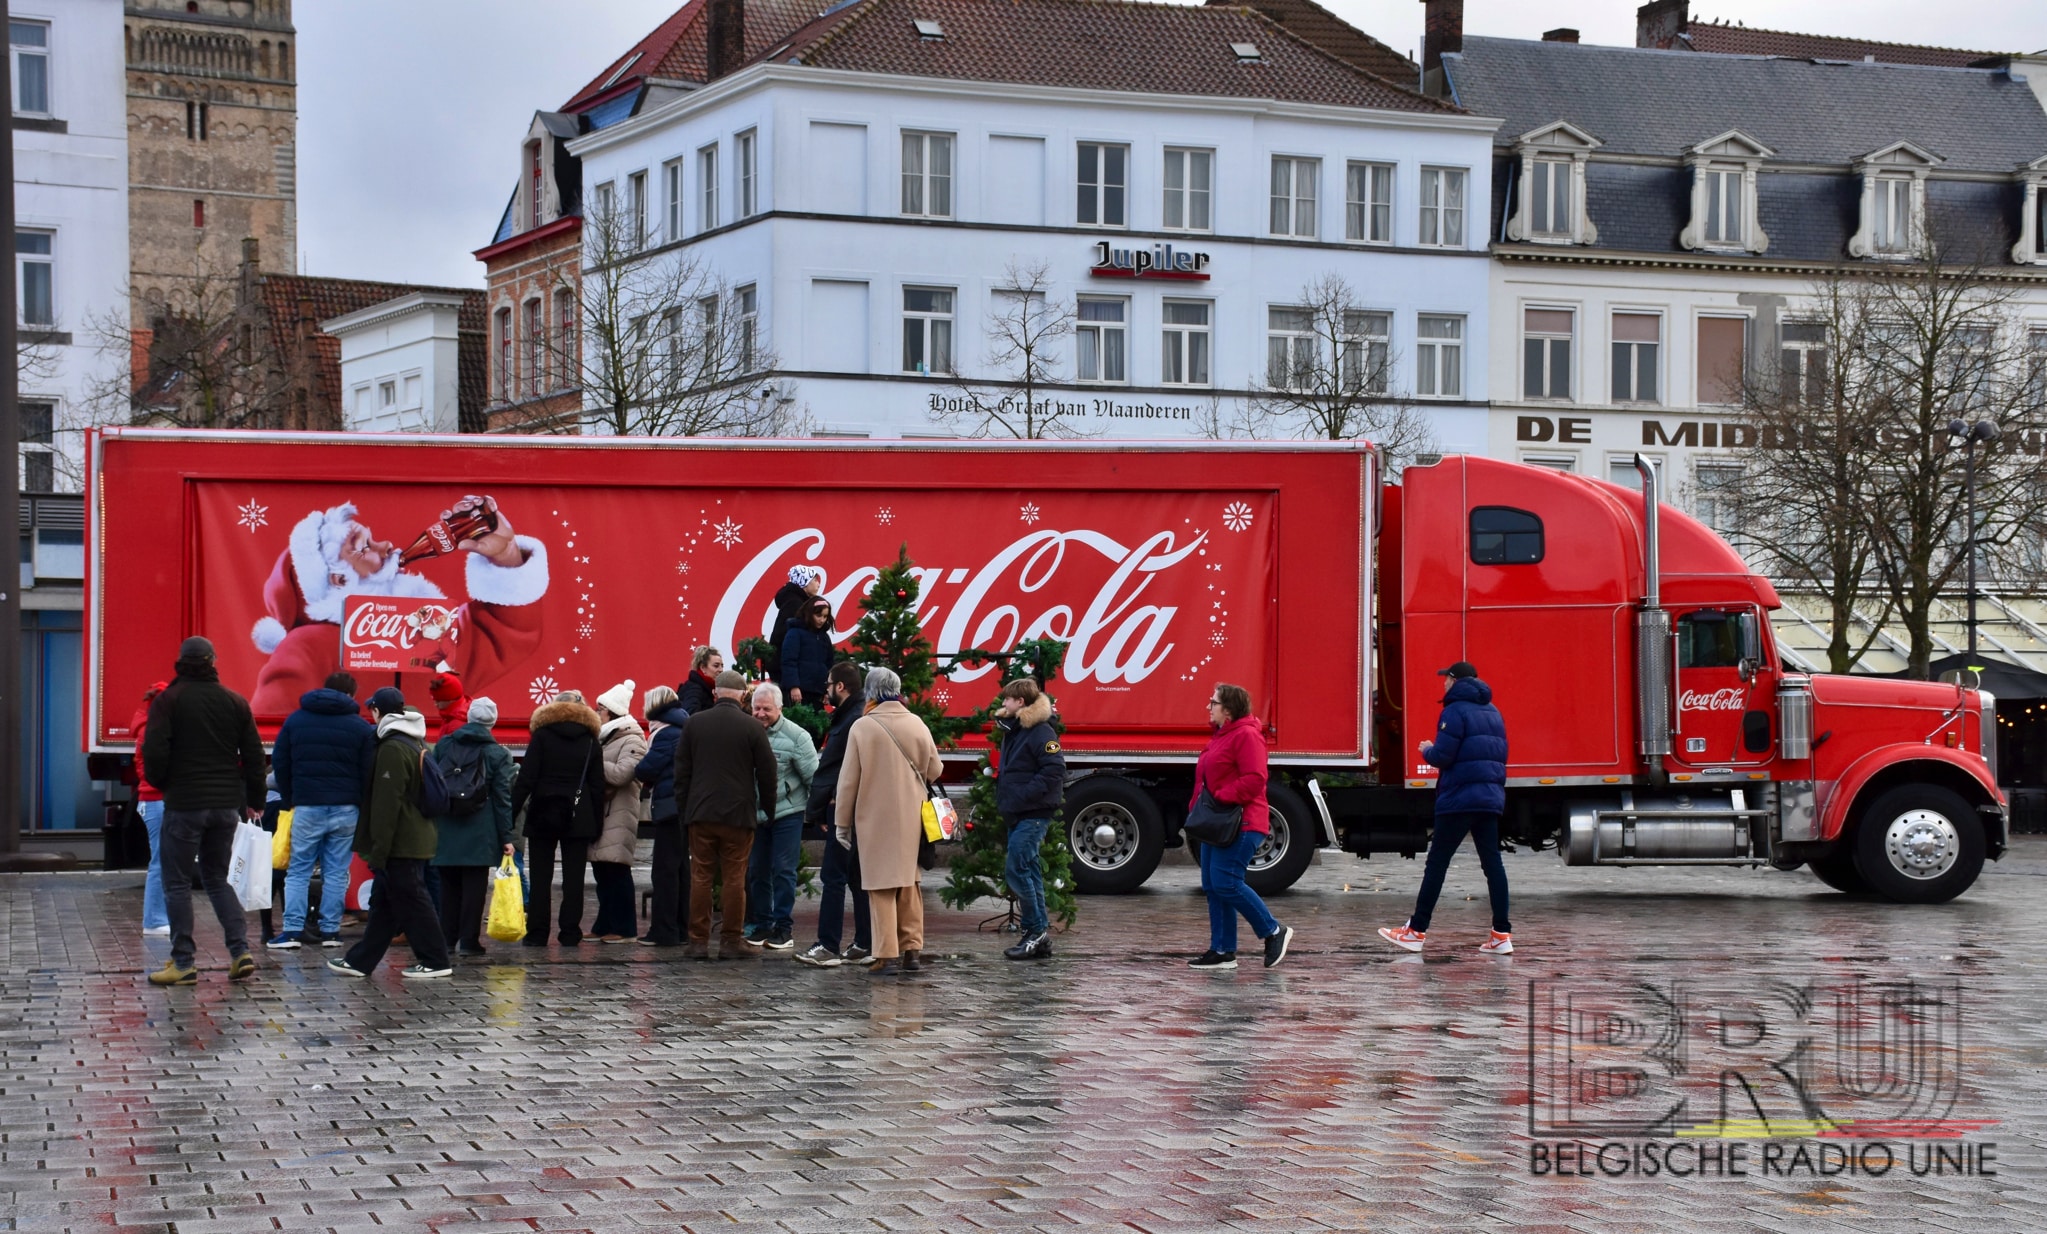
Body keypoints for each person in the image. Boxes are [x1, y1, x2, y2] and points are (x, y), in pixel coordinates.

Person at [246, 495, 549, 715]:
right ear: (339, 579)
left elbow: (502, 634)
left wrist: (505, 553)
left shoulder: (421, 627)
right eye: (365, 546)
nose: (387, 546)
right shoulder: (308, 647)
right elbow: (271, 731)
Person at [141, 636, 266, 986]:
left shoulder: (169, 700)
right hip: (226, 805)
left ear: (181, 662)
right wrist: (253, 799)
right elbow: (255, 758)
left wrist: (165, 783)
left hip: (184, 804)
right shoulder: (235, 701)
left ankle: (183, 963)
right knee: (217, 878)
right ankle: (240, 952)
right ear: (212, 662)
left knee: (177, 882)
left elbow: (154, 752)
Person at [1380, 661, 1513, 955]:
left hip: (1458, 800)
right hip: (1489, 798)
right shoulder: (1493, 712)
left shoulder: (1453, 711)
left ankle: (1416, 931)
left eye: (1446, 679)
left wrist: (1427, 749)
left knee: (1437, 864)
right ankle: (1501, 935)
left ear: (1455, 681)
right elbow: (1500, 754)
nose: (1443, 684)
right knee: (1493, 866)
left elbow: (1443, 756)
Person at [326, 688, 453, 979]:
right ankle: (360, 961)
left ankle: (435, 960)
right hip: (412, 837)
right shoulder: (412, 740)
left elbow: (386, 805)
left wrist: (379, 850)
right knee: (384, 904)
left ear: (377, 712)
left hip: (401, 843)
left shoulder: (392, 748)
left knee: (414, 900)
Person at [835, 667, 944, 977]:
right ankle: (912, 952)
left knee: (880, 888)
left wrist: (842, 823)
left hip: (875, 821)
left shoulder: (863, 727)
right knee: (910, 886)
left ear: (871, 692)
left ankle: (886, 955)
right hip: (913, 819)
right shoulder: (917, 723)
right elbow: (935, 769)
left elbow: (848, 782)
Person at [1187, 684, 1293, 972]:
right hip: (1216, 823)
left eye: (1214, 702)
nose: (1209, 707)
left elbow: (1255, 778)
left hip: (1241, 822)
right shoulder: (1223, 735)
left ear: (1229, 710)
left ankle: (1273, 931)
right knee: (1213, 886)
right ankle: (1222, 950)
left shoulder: (1246, 735)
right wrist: (1198, 807)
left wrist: (1221, 797)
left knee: (1226, 882)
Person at [267, 671, 375, 949]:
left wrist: (291, 797)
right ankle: (330, 932)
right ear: (350, 695)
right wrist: (360, 802)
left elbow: (280, 761)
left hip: (307, 806)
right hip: (346, 808)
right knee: (336, 871)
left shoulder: (296, 720)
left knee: (299, 870)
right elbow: (368, 771)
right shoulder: (360, 726)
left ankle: (292, 931)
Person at [672, 669, 776, 959]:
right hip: (738, 816)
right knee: (734, 878)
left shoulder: (694, 724)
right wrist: (768, 809)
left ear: (715, 694)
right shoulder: (752, 727)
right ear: (744, 695)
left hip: (701, 813)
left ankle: (697, 942)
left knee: (701, 877)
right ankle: (731, 941)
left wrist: (685, 811)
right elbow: (768, 773)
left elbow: (681, 773)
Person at [511, 689, 606, 946]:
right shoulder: (590, 740)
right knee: (574, 879)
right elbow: (598, 786)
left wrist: (510, 813)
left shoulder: (541, 736)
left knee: (541, 877)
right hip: (579, 813)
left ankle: (538, 933)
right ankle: (570, 932)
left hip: (544, 810)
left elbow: (526, 778)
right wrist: (597, 822)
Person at [795, 662, 873, 968]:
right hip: (856, 808)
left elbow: (830, 770)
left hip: (843, 808)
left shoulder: (850, 719)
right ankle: (865, 943)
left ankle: (828, 945)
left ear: (841, 686)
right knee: (856, 877)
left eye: (829, 684)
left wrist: (816, 812)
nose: (826, 690)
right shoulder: (860, 714)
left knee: (834, 877)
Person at [430, 696, 516, 956]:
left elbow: (433, 783)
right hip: (480, 828)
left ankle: (446, 939)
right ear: (492, 722)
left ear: (469, 718)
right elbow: (502, 799)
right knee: (474, 888)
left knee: (448, 886)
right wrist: (506, 836)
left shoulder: (444, 745)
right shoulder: (498, 753)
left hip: (446, 823)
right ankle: (469, 941)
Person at [994, 678, 1063, 961]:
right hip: (1019, 812)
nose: (1003, 704)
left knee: (1017, 868)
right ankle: (1038, 934)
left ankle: (1035, 932)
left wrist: (1023, 795)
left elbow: (1055, 770)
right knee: (1029, 870)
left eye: (1007, 699)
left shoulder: (1040, 732)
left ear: (1020, 702)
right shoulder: (1016, 729)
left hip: (1032, 813)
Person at [745, 683, 818, 950]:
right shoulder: (748, 732)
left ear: (780, 708)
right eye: (756, 708)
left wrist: (818, 812)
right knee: (757, 871)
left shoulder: (797, 737)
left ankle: (783, 928)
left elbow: (813, 777)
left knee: (783, 871)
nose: (761, 713)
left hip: (788, 812)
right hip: (756, 814)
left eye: (766, 709)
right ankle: (763, 924)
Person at [590, 680, 648, 943]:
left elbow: (624, 773)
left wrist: (592, 760)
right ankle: (604, 924)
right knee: (602, 870)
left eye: (600, 709)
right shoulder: (605, 737)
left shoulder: (633, 738)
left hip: (619, 812)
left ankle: (625, 929)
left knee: (617, 871)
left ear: (611, 712)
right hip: (604, 813)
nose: (596, 713)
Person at [634, 684, 691, 947]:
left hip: (670, 807)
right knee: (680, 870)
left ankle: (664, 930)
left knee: (665, 872)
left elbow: (647, 769)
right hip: (682, 807)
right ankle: (680, 928)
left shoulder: (666, 733)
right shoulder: (683, 726)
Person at [131, 681, 172, 937]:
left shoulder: (148, 726)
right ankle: (155, 920)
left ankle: (158, 918)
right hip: (157, 798)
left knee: (163, 859)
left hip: (153, 798)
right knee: (162, 860)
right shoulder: (154, 729)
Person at [768, 566, 825, 677]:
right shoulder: (795, 605)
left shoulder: (793, 601)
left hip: (782, 664)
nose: (818, 584)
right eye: (815, 580)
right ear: (805, 582)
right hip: (786, 668)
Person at [778, 598, 834, 707]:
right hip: (799, 692)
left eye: (825, 616)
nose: (822, 620)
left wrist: (827, 689)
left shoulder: (824, 637)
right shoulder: (795, 633)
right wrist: (793, 686)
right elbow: (789, 661)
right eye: (819, 616)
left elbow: (829, 664)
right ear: (809, 614)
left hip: (818, 693)